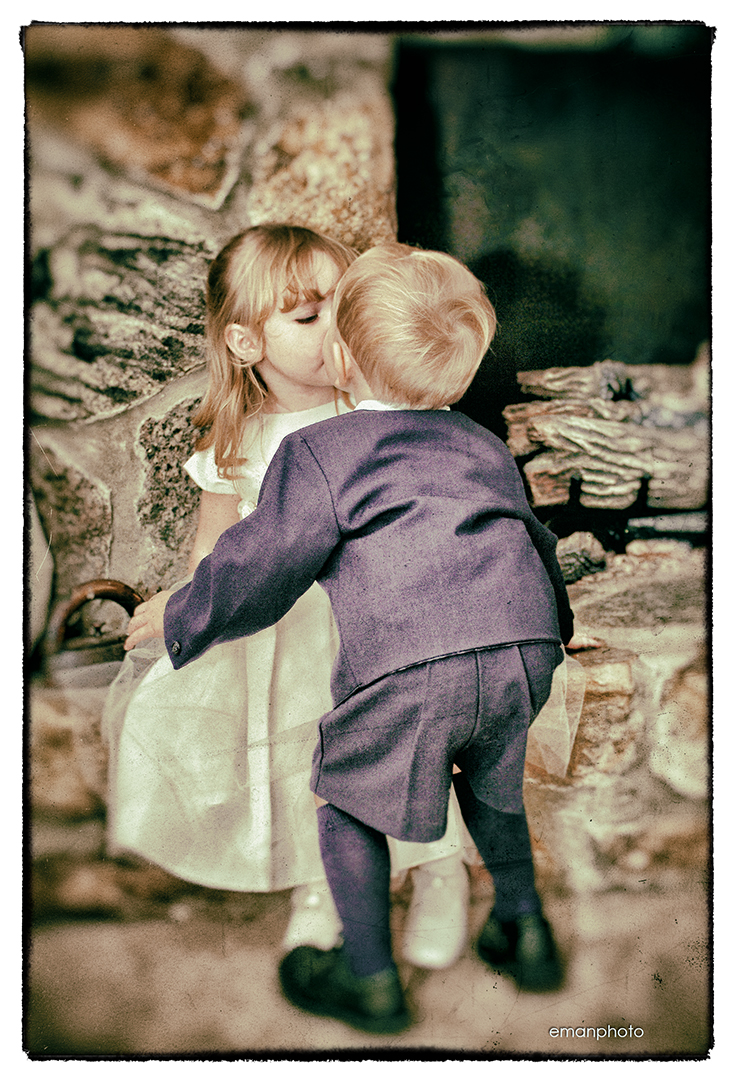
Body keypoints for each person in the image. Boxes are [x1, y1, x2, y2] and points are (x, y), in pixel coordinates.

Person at [123, 242, 575, 1035]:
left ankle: (367, 979)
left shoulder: (320, 450)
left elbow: (261, 564)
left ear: (343, 358)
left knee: (346, 806)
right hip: (519, 649)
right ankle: (526, 932)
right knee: (491, 789)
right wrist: (557, 634)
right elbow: (533, 541)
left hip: (408, 666)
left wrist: (181, 618)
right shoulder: (480, 440)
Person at [103, 225, 471, 966]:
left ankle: (441, 870)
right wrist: (185, 609)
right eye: (307, 317)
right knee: (305, 764)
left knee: (407, 746)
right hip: (281, 639)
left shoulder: (375, 416)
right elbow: (214, 552)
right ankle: (319, 885)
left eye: (344, 305)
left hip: (372, 629)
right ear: (246, 343)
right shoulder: (237, 442)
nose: (336, 328)